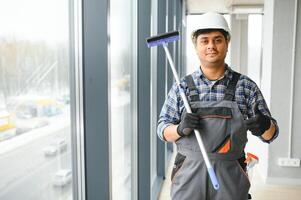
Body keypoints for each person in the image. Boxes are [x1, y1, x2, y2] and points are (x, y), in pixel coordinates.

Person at [157, 12, 279, 200]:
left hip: (231, 178)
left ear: (227, 43)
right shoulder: (181, 88)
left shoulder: (245, 86)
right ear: (196, 46)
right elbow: (162, 131)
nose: (211, 46)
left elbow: (270, 135)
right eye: (204, 41)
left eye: (217, 40)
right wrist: (180, 129)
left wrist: (264, 125)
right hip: (188, 177)